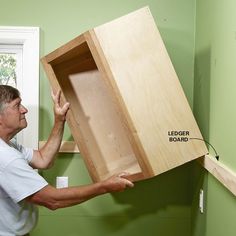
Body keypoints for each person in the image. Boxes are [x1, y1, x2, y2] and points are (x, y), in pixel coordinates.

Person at [0, 85, 134, 236]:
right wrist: (105, 186)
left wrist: (59, 120)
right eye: (17, 105)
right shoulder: (5, 157)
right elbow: (52, 200)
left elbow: (44, 160)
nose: (24, 109)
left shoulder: (9, 145)